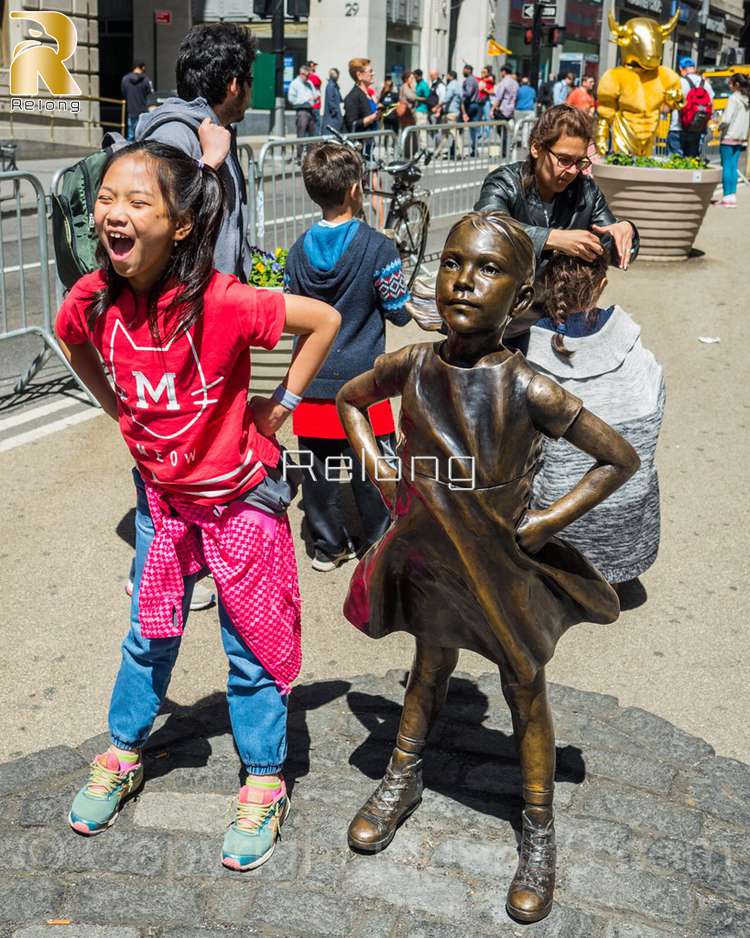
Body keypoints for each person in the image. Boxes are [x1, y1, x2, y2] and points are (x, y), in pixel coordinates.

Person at [338, 212, 639, 924]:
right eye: (451, 263)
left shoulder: (528, 387)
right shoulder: (412, 364)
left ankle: (537, 826)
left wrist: (544, 522)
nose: (464, 281)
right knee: (428, 664)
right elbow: (351, 401)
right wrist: (379, 464)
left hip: (499, 562)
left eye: (487, 270)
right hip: (429, 555)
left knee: (523, 686)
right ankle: (404, 774)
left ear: (523, 292)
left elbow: (618, 457)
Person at [56, 141, 340, 868]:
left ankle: (266, 780)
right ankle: (123, 753)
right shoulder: (93, 300)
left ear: (180, 224)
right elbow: (71, 339)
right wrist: (116, 409)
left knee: (249, 651)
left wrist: (282, 406)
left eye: (137, 202)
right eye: (108, 199)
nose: (113, 214)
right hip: (164, 504)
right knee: (148, 636)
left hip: (240, 502)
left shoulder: (226, 302)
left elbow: (323, 324)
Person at [134, 21, 258, 608]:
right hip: (176, 322)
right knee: (171, 449)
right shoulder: (178, 136)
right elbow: (171, 225)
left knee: (202, 441)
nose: (251, 90)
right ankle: (158, 577)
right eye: (250, 80)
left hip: (203, 317)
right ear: (233, 83)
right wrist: (209, 164)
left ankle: (184, 562)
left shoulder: (207, 129)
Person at [284, 143, 412, 571]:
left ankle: (326, 545)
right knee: (373, 465)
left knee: (318, 473)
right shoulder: (379, 248)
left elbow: (293, 310)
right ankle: (376, 542)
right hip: (364, 383)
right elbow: (396, 310)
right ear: (356, 189)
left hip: (312, 377)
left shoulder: (298, 250)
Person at [527, 242, 665, 587]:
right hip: (628, 543)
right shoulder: (639, 357)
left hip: (556, 536)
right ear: (602, 286)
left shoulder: (528, 362)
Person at [474, 105, 639, 346]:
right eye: (563, 160)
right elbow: (488, 228)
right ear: (536, 148)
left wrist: (626, 232)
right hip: (497, 321)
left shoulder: (586, 191)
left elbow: (612, 246)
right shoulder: (504, 182)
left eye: (580, 162)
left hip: (552, 321)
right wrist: (553, 238)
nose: (572, 171)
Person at [667, 57, 712, 158]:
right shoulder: (705, 84)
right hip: (696, 128)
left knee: (675, 161)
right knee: (691, 161)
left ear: (681, 68)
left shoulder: (678, 82)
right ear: (694, 68)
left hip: (677, 127)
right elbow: (710, 104)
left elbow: (669, 105)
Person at [717, 73, 750, 207]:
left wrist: (719, 126)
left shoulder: (733, 98)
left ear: (736, 84)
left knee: (726, 166)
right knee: (733, 166)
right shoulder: (747, 99)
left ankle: (726, 197)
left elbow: (726, 119)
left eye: (730, 83)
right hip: (740, 136)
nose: (729, 86)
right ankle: (732, 196)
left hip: (729, 136)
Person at [344, 58, 383, 141]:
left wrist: (380, 112)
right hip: (359, 147)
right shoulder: (353, 97)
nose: (373, 74)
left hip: (369, 143)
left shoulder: (369, 94)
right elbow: (352, 125)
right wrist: (373, 117)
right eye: (370, 71)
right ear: (359, 75)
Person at [288, 64, 320, 153]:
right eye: (306, 75)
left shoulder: (309, 83)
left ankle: (311, 156)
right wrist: (305, 100)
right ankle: (299, 156)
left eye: (309, 75)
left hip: (311, 110)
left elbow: (314, 93)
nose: (308, 77)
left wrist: (315, 97)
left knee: (312, 136)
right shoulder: (295, 83)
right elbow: (291, 99)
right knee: (301, 135)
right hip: (301, 111)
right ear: (301, 73)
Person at [120, 61, 153, 140]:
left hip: (131, 110)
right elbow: (150, 94)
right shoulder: (146, 80)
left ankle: (129, 151)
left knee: (131, 135)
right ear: (141, 67)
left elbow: (124, 93)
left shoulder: (125, 79)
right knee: (142, 135)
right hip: (143, 111)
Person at [494, 65, 519, 158]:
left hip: (503, 109)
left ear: (504, 72)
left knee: (501, 130)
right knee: (506, 130)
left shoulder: (504, 82)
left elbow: (498, 97)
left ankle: (504, 150)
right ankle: (507, 148)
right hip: (511, 110)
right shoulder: (515, 83)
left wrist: (492, 109)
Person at [461, 64, 482, 157]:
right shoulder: (474, 79)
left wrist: (460, 94)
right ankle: (474, 149)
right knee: (474, 129)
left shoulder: (469, 80)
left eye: (464, 70)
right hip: (476, 105)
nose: (463, 72)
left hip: (470, 105)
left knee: (462, 126)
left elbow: (468, 93)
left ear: (468, 70)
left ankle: (456, 148)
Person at [323, 67, 344, 133]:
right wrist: (334, 110)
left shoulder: (335, 86)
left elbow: (340, 99)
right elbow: (330, 100)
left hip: (336, 116)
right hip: (332, 117)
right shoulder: (331, 86)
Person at [306, 60, 323, 133]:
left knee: (312, 123)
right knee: (317, 123)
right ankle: (317, 141)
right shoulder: (312, 77)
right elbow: (318, 82)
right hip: (315, 104)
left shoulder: (308, 77)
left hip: (312, 103)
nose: (315, 67)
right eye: (313, 66)